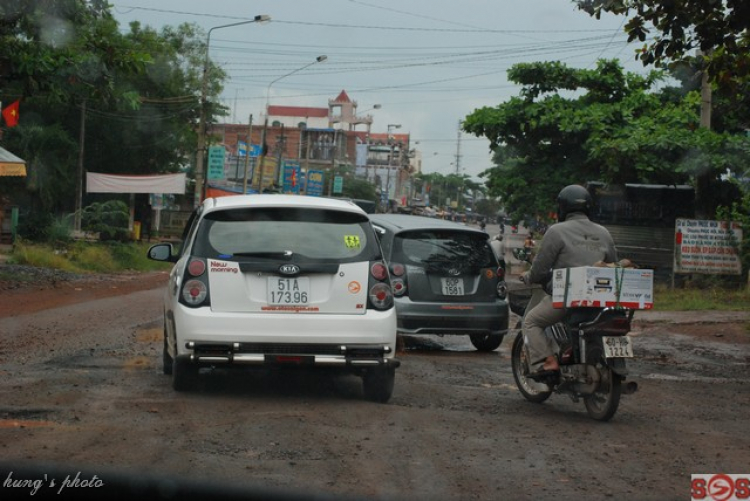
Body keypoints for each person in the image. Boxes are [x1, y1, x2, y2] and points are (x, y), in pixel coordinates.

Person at [520, 184, 617, 375]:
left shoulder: (556, 231)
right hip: (602, 300)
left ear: (562, 207)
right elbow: (613, 264)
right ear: (588, 206)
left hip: (568, 297)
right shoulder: (604, 232)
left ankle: (548, 362)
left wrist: (529, 277)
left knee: (531, 322)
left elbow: (539, 269)